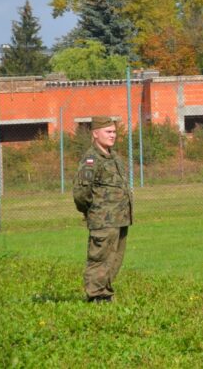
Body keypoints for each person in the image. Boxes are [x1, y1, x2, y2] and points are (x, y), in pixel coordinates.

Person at [72, 115, 133, 302]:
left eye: (114, 132)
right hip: (103, 219)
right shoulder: (91, 160)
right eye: (108, 132)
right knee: (99, 258)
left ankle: (104, 293)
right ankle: (95, 296)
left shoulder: (114, 157)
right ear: (95, 134)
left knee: (114, 258)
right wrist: (93, 211)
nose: (113, 135)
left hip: (120, 218)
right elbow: (81, 193)